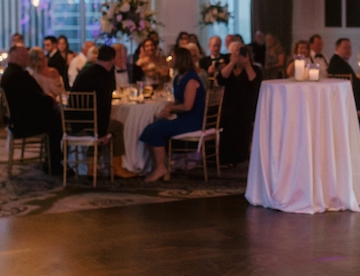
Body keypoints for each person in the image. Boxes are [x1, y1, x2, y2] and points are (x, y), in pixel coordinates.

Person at [139, 47, 206, 182]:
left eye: (172, 57)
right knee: (148, 130)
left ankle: (161, 168)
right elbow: (177, 101)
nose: (169, 59)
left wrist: (171, 109)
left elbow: (187, 106)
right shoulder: (178, 78)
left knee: (155, 131)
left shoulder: (191, 80)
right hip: (183, 118)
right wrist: (169, 107)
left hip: (191, 121)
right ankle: (161, 166)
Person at [71, 44, 136, 179]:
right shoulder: (103, 76)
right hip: (91, 124)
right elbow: (102, 107)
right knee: (117, 127)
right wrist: (101, 132)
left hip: (75, 122)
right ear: (112, 59)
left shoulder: (86, 71)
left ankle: (91, 168)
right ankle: (116, 168)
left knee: (99, 125)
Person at [1, 45, 63, 175]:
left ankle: (53, 160)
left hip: (19, 120)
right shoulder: (18, 76)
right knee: (56, 121)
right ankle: (54, 163)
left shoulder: (11, 73)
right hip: (24, 123)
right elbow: (34, 100)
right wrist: (50, 100)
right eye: (25, 56)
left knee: (54, 117)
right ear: (16, 57)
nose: (28, 60)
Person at [219, 41, 261, 166]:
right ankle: (226, 158)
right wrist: (232, 62)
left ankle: (241, 157)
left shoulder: (255, 69)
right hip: (229, 106)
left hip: (246, 107)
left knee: (242, 122)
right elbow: (221, 79)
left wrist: (247, 64)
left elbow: (255, 82)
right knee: (228, 121)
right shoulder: (228, 68)